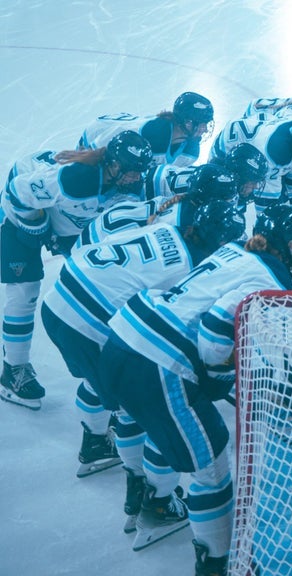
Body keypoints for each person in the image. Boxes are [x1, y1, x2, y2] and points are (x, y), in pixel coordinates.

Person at [97, 204, 292, 574]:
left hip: (121, 338)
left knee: (165, 429)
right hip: (157, 361)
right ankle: (218, 562)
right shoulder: (269, 280)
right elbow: (214, 331)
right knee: (211, 462)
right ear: (290, 246)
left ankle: (156, 506)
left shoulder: (232, 250)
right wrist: (218, 376)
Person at [41, 198, 243, 495]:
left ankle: (95, 441)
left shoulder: (163, 229)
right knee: (134, 404)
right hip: (85, 324)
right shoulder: (189, 266)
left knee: (97, 380)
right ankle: (143, 490)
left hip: (56, 301)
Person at [1, 131, 153, 410]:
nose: (135, 178)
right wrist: (39, 229)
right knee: (25, 292)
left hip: (64, 220)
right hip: (22, 209)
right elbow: (18, 194)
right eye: (130, 171)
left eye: (140, 172)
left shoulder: (131, 187)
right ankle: (13, 369)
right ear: (113, 165)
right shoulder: (75, 178)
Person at [210, 115, 292, 280]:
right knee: (234, 210)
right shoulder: (277, 151)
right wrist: (281, 240)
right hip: (227, 154)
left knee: (290, 203)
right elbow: (268, 209)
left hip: (253, 151)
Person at [76, 163, 241, 248]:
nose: (231, 203)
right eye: (227, 198)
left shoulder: (181, 201)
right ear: (211, 200)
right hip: (97, 246)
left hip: (98, 231)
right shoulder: (185, 225)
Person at [79, 92, 214, 167]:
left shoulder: (191, 151)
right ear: (187, 122)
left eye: (206, 124)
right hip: (98, 133)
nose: (205, 130)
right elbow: (98, 151)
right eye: (201, 124)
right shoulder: (150, 134)